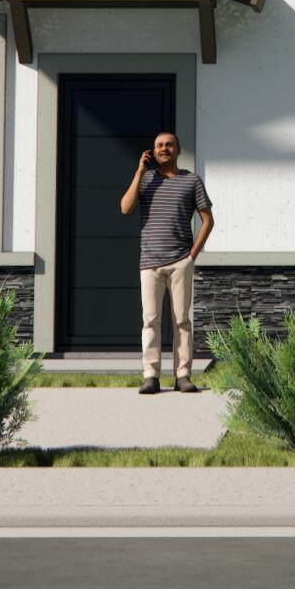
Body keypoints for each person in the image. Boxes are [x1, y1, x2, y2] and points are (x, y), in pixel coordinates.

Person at [120, 130, 213, 394]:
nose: (164, 149)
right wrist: (139, 172)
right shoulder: (146, 180)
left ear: (178, 150)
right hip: (149, 262)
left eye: (169, 145)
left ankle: (183, 375)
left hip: (180, 261)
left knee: (181, 320)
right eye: (159, 145)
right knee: (150, 320)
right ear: (153, 151)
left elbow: (208, 220)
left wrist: (192, 255)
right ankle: (151, 376)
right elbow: (125, 208)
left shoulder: (191, 181)